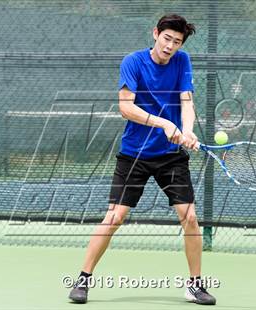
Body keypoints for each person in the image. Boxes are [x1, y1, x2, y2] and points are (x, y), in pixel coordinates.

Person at [69, 14, 216, 305]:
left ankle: (195, 285)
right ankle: (83, 280)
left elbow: (187, 101)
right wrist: (165, 124)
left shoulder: (182, 61)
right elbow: (126, 108)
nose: (170, 46)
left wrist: (186, 131)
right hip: (135, 153)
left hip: (171, 157)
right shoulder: (133, 62)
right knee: (115, 217)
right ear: (155, 34)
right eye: (166, 38)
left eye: (176, 41)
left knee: (190, 217)